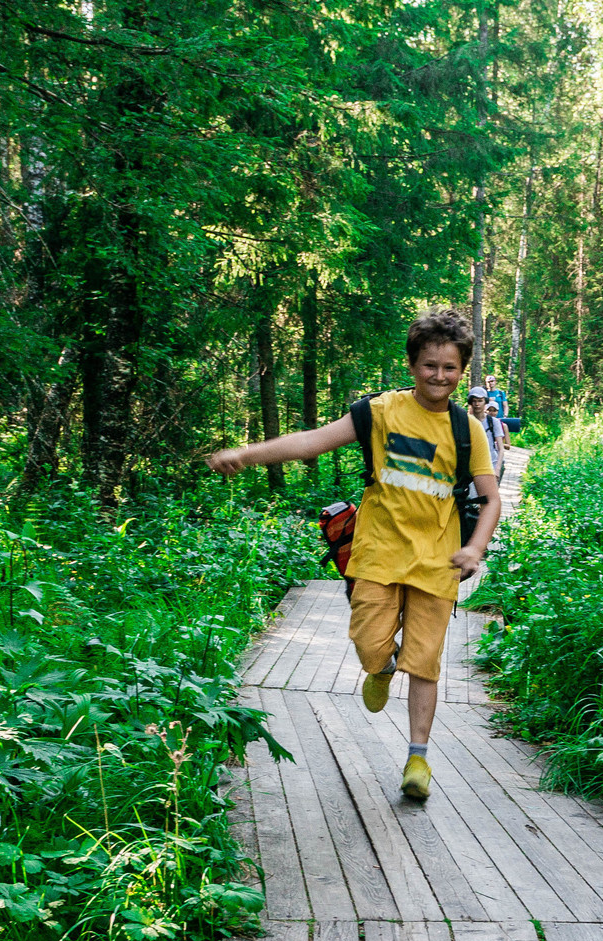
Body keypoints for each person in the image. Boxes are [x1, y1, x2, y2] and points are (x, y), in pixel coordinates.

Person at [206, 309, 502, 803]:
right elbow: (311, 442)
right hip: (379, 554)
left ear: (462, 370)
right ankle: (381, 668)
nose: (439, 376)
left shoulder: (467, 429)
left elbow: (492, 498)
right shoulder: (380, 412)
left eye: (450, 368)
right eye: (430, 365)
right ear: (412, 365)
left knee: (426, 663)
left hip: (437, 562)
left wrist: (474, 547)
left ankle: (418, 759)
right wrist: (249, 454)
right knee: (370, 645)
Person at [469, 386, 510, 468]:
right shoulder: (465, 421)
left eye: (480, 401)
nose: (477, 404)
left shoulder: (497, 423)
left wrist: (497, 470)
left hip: (491, 463)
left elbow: (504, 447)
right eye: (474, 401)